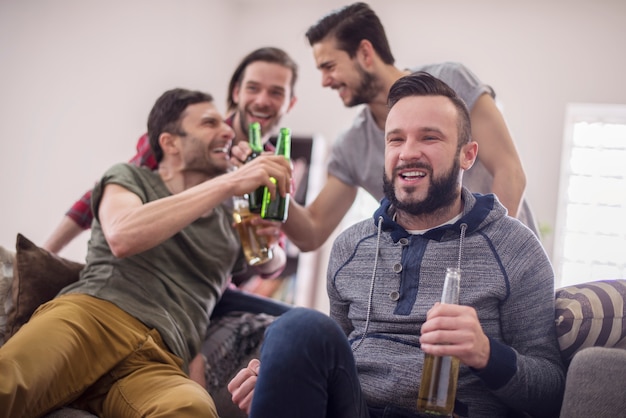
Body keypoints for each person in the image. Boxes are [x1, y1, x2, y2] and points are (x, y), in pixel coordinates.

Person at [227, 72, 565, 418]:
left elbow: (551, 391)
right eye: (396, 139)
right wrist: (281, 384)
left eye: (429, 138)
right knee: (296, 327)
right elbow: (336, 357)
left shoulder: (515, 247)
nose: (408, 153)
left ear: (467, 155)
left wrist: (486, 354)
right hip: (353, 410)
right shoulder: (351, 246)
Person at [0, 88, 292, 418]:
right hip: (93, 317)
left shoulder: (229, 220)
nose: (227, 130)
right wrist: (228, 184)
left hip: (162, 357)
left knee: (192, 408)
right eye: (210, 123)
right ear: (170, 143)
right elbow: (123, 234)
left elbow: (268, 264)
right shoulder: (129, 178)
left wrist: (268, 239)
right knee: (9, 381)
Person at [245, 2, 534, 253]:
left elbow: (510, 173)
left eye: (329, 66)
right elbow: (312, 232)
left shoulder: (452, 81)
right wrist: (269, 178)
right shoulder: (352, 144)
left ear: (365, 53)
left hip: (504, 263)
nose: (325, 81)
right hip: (426, 281)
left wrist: (485, 256)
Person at [43, 46, 298, 254]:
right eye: (253, 88)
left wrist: (271, 242)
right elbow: (109, 191)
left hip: (216, 283)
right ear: (236, 92)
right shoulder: (184, 138)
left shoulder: (275, 166)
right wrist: (45, 255)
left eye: (276, 93)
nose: (263, 100)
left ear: (290, 103)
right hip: (158, 264)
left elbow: (272, 255)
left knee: (305, 319)